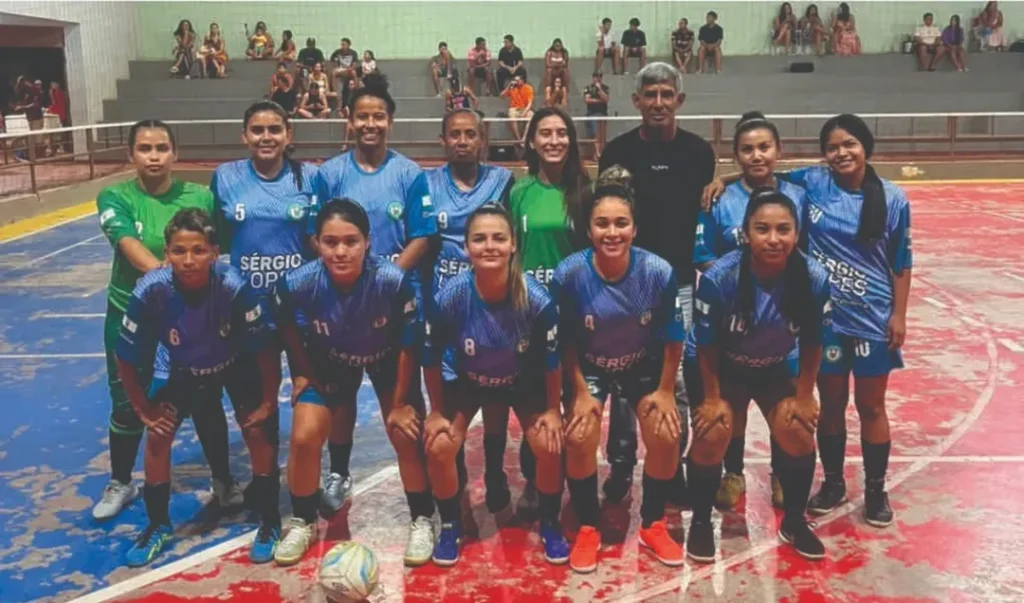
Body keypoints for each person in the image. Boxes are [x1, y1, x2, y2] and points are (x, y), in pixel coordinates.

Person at [702, 113, 912, 528]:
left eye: (849, 144)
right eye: (832, 147)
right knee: (829, 404)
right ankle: (832, 483)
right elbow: (762, 173)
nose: (841, 153)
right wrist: (722, 180)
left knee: (871, 405)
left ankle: (875, 490)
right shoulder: (814, 181)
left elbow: (901, 262)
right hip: (826, 318)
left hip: (873, 316)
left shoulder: (892, 198)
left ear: (866, 146)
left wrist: (899, 314)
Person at [272, 198, 435, 567]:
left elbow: (409, 344)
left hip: (386, 357)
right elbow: (285, 325)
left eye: (351, 241)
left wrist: (399, 404)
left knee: (405, 433)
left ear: (368, 242)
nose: (341, 251)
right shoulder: (297, 282)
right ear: (316, 243)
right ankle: (302, 521)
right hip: (329, 359)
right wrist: (301, 371)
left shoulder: (392, 281)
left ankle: (422, 517)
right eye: (330, 242)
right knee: (304, 435)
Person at [117, 209, 279, 567]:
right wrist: (142, 407)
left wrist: (268, 400)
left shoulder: (233, 285)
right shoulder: (151, 289)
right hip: (182, 368)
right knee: (158, 435)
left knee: (256, 430)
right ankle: (158, 525)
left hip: (235, 364)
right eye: (179, 251)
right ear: (166, 253)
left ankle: (270, 521)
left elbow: (265, 351)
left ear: (214, 253)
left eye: (198, 250)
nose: (188, 260)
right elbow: (124, 356)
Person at [93, 120, 238, 521]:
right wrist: (170, 277)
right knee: (127, 401)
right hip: (131, 314)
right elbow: (127, 243)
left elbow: (216, 246)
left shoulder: (201, 197)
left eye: (161, 148)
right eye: (145, 148)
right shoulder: (114, 196)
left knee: (205, 397)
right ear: (131, 155)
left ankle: (223, 479)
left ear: (175, 153)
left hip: (193, 317)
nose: (154, 156)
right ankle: (121, 481)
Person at [313, 75, 437, 519]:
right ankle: (339, 472)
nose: (370, 124)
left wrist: (384, 281)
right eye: (362, 116)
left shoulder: (409, 174)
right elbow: (315, 235)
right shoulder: (329, 174)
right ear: (348, 120)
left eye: (378, 117)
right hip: (341, 307)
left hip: (393, 308)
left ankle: (419, 489)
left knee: (401, 401)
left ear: (390, 121)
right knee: (340, 396)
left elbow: (422, 235)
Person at [686, 189, 832, 563]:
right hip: (721, 365)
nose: (773, 239)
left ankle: (795, 521)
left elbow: (814, 341)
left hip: (774, 364)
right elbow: (706, 344)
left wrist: (804, 395)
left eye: (783, 229)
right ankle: (700, 522)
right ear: (746, 233)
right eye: (762, 229)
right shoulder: (720, 277)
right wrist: (712, 398)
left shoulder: (814, 277)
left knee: (798, 430)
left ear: (797, 233)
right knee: (712, 431)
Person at [554, 167, 686, 573]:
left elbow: (673, 337)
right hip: (589, 365)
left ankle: (652, 523)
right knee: (579, 435)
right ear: (589, 230)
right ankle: (589, 525)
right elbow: (566, 341)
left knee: (666, 432)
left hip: (640, 362)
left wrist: (666, 391)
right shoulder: (570, 274)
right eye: (602, 224)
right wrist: (579, 392)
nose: (612, 232)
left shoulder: (658, 272)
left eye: (621, 223)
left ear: (635, 228)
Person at [423, 204, 569, 567]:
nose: (490, 246)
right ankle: (451, 524)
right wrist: (436, 411)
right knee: (439, 446)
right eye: (480, 239)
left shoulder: (536, 298)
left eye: (499, 238)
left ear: (513, 244)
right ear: (466, 247)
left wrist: (553, 410)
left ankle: (550, 522)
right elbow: (430, 356)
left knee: (549, 443)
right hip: (469, 381)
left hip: (521, 382)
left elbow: (553, 360)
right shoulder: (450, 296)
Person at [207, 100, 321, 559]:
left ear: (289, 133)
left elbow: (319, 239)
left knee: (309, 403)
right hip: (247, 315)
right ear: (245, 135)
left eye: (275, 128)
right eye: (257, 129)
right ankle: (269, 510)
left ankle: (311, 485)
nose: (266, 137)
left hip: (300, 311)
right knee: (258, 413)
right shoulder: (225, 178)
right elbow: (217, 243)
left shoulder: (310, 178)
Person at [598, 63, 714, 505]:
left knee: (675, 379)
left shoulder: (699, 153)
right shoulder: (617, 153)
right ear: (637, 101)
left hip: (680, 283)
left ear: (679, 100)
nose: (659, 103)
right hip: (626, 283)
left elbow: (709, 200)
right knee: (622, 376)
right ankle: (621, 464)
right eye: (650, 95)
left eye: (667, 94)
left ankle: (671, 466)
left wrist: (723, 182)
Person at [693, 111, 807, 511]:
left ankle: (780, 474)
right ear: (735, 155)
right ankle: (734, 473)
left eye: (764, 147)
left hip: (783, 318)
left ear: (778, 150)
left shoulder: (798, 194)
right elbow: (704, 255)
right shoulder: (718, 200)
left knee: (785, 406)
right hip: (735, 321)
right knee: (734, 405)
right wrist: (742, 287)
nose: (757, 156)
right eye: (747, 149)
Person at [426, 109, 515, 512]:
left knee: (495, 395)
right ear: (443, 140)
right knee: (450, 394)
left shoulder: (502, 180)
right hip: (446, 305)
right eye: (455, 134)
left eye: (470, 134)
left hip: (492, 301)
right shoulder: (427, 183)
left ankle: (495, 472)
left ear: (482, 140)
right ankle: (457, 475)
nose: (462, 141)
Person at [505, 107, 590, 517]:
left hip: (575, 311)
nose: (554, 140)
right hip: (530, 313)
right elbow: (511, 250)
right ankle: (536, 480)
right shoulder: (518, 192)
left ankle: (578, 479)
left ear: (571, 141)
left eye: (561, 133)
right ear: (532, 141)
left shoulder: (585, 191)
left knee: (574, 400)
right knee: (537, 402)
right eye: (545, 133)